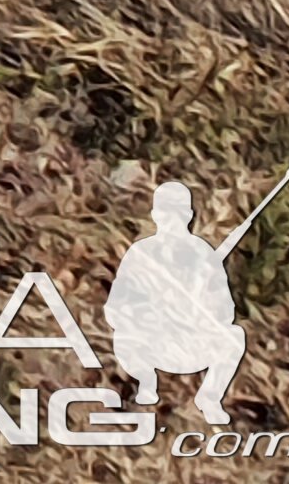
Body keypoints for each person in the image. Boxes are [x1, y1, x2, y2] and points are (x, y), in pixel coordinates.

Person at [108, 179, 248, 425]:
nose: (171, 219)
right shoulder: (140, 253)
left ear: (188, 215)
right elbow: (115, 308)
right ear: (155, 214)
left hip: (192, 343)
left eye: (178, 212)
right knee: (123, 337)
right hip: (153, 343)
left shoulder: (203, 254)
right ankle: (147, 383)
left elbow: (225, 311)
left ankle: (210, 397)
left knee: (234, 336)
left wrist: (200, 306)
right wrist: (149, 314)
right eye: (165, 212)